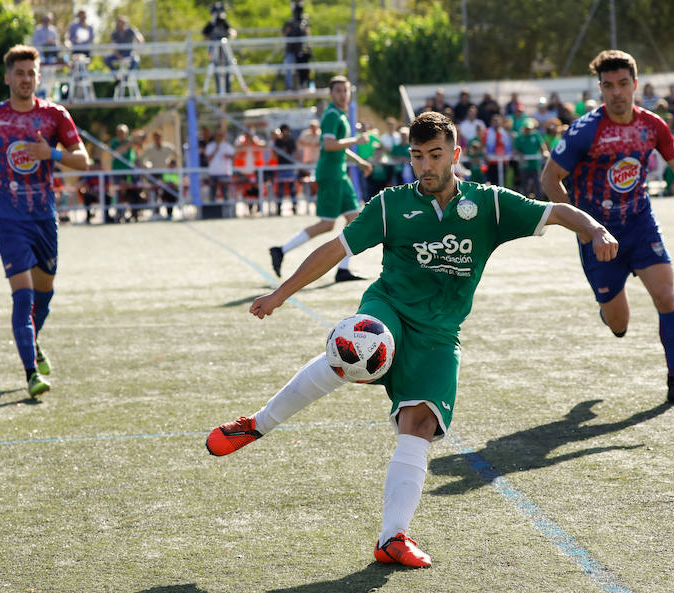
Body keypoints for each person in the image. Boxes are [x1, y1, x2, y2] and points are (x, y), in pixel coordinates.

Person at [205, 110, 618, 567]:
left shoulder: (489, 205)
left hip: (440, 332)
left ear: (455, 155)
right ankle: (257, 424)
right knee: (362, 346)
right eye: (417, 156)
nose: (426, 166)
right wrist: (281, 293)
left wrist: (595, 229)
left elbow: (556, 211)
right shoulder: (390, 204)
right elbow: (334, 249)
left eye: (435, 155)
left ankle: (392, 539)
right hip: (390, 309)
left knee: (419, 425)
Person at [541, 49, 674, 405]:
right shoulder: (584, 130)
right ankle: (608, 311)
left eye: (623, 84)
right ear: (600, 88)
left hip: (640, 223)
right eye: (608, 85)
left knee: (666, 295)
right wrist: (583, 227)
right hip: (598, 234)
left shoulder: (652, 125)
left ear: (635, 84)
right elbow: (550, 178)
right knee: (619, 324)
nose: (616, 92)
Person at [0, 44, 89, 398]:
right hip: (6, 215)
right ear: (7, 77)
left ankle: (32, 341)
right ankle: (32, 373)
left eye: (31, 73)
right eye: (19, 73)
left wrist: (51, 153)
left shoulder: (54, 115)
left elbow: (83, 161)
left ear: (38, 77)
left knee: (45, 294)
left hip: (44, 215)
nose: (25, 79)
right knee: (22, 294)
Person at [269, 75, 372, 282]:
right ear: (331, 94)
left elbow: (338, 146)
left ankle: (343, 269)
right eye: (339, 91)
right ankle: (281, 250)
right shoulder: (332, 115)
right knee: (327, 224)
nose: (343, 94)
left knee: (355, 220)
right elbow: (329, 145)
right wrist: (357, 140)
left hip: (339, 174)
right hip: (331, 175)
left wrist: (360, 161)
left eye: (346, 90)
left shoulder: (340, 115)